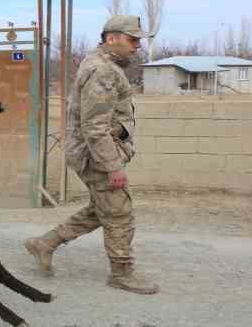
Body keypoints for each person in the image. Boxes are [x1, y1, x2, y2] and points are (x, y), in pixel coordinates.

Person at [24, 15, 160, 295]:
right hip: (96, 155)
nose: (137, 45)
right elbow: (95, 127)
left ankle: (45, 243)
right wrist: (113, 167)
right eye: (132, 39)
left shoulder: (105, 65)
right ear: (112, 38)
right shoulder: (102, 70)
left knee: (105, 207)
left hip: (95, 152)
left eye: (138, 40)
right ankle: (121, 273)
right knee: (119, 212)